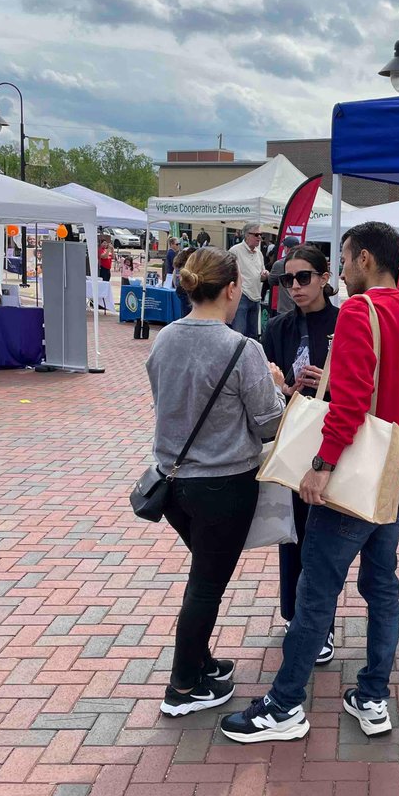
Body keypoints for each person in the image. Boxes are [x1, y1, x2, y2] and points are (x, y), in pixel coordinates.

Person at [221, 221, 399, 743]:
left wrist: (321, 465)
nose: (343, 272)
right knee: (381, 586)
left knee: (316, 592)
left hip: (353, 480)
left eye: (346, 261)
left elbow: (349, 399)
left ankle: (285, 705)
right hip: (393, 481)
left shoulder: (358, 310)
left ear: (367, 259)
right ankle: (373, 696)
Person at [146, 247, 286, 717]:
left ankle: (200, 662)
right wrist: (273, 382)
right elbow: (270, 424)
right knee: (206, 584)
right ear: (231, 288)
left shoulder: (163, 339)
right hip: (224, 486)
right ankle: (182, 686)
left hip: (170, 484)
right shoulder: (242, 349)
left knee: (204, 575)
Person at [262, 245, 340, 662]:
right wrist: (283, 387)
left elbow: (366, 383)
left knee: (322, 539)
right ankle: (294, 615)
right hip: (290, 439)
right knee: (291, 533)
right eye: (286, 279)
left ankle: (322, 625)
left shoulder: (346, 321)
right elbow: (262, 384)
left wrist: (328, 382)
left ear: (325, 276)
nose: (294, 286)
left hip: (332, 443)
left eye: (303, 277)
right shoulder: (278, 327)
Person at [228, 223, 267, 337]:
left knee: (253, 335)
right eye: (256, 234)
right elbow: (228, 272)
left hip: (256, 296)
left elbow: (261, 274)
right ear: (246, 235)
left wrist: (264, 274)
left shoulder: (259, 253)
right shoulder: (235, 251)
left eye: (261, 235)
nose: (259, 238)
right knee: (239, 334)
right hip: (242, 296)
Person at [266, 239, 298, 316]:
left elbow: (271, 281)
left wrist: (268, 275)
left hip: (285, 308)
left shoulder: (280, 264)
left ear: (287, 249)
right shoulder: (305, 263)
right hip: (302, 307)